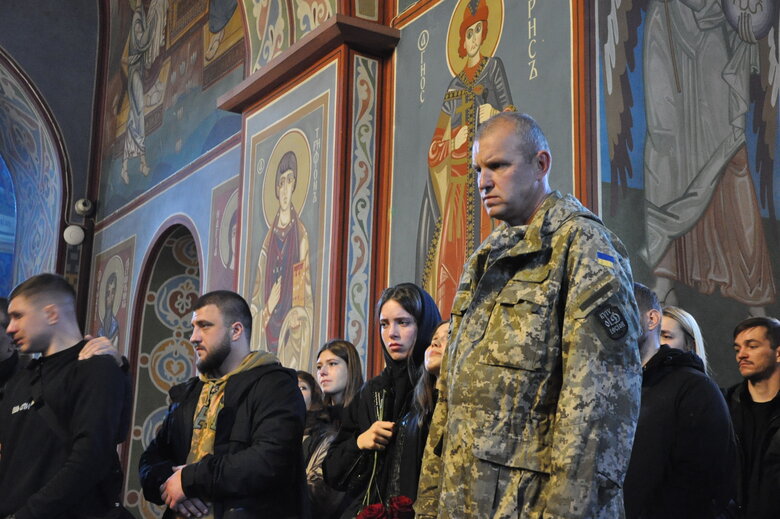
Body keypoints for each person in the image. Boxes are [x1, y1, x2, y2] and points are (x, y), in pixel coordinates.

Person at [415, 112, 643, 519]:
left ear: (541, 164)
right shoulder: (485, 258)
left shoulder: (583, 247)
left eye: (498, 166)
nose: (483, 182)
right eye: (479, 170)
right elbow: (450, 404)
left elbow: (597, 412)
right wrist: (429, 506)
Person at [138, 290, 307, 519]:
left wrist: (190, 480)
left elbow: (270, 460)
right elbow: (150, 460)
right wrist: (169, 485)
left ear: (236, 330)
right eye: (193, 327)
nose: (193, 337)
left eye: (204, 326)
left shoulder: (275, 386)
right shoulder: (189, 393)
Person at [0, 274, 131, 519]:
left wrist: (28, 514)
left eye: (18, 316)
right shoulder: (19, 381)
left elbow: (91, 458)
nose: (10, 328)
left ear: (51, 313)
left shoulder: (94, 368)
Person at [421, 0, 515, 315]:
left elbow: (515, 125)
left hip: (487, 188)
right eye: (469, 33)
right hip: (459, 192)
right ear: (462, 41)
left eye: (478, 31)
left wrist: (496, 116)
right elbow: (434, 149)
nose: (474, 38)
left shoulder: (494, 68)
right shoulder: (454, 86)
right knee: (453, 262)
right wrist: (452, 141)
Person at [324, 283, 441, 516]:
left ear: (424, 325)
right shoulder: (372, 391)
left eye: (403, 322)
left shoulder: (439, 389)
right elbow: (332, 471)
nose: (392, 334)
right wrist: (360, 442)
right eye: (384, 324)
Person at [623, 283, 735, 518]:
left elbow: (702, 481)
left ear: (651, 319)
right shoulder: (618, 386)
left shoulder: (695, 389)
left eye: (623, 308)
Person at [250, 150, 314, 363]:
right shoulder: (267, 243)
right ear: (276, 188)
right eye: (281, 182)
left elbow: (303, 292)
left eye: (290, 181)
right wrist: (268, 308)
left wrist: (298, 314)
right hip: (268, 334)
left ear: (295, 185)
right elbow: (255, 301)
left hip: (290, 336)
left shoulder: (300, 235)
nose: (285, 188)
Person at [301, 340, 365, 519]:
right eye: (319, 366)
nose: (323, 371)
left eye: (332, 364)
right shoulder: (317, 420)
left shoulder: (362, 413)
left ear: (350, 367)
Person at [724, 316, 780, 518]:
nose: (742, 355)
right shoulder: (724, 404)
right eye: (737, 349)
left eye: (752, 346)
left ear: (778, 352)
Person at [661, 305, 709, 374]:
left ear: (690, 346)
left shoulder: (698, 383)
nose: (655, 343)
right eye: (653, 337)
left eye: (666, 336)